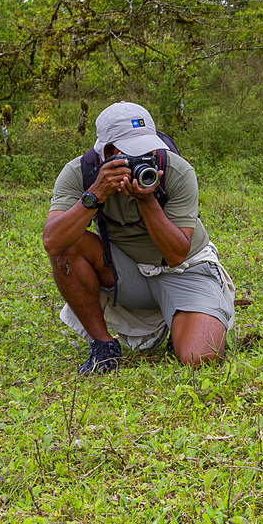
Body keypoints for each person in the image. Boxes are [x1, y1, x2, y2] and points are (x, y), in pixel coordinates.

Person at [43, 101, 235, 374]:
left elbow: (177, 254)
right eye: (132, 153)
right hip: (129, 272)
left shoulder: (177, 171)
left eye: (148, 149)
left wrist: (148, 201)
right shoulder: (79, 173)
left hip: (185, 269)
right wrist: (94, 195)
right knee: (67, 245)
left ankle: (189, 319)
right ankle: (103, 345)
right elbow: (52, 242)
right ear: (107, 151)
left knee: (199, 357)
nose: (144, 159)